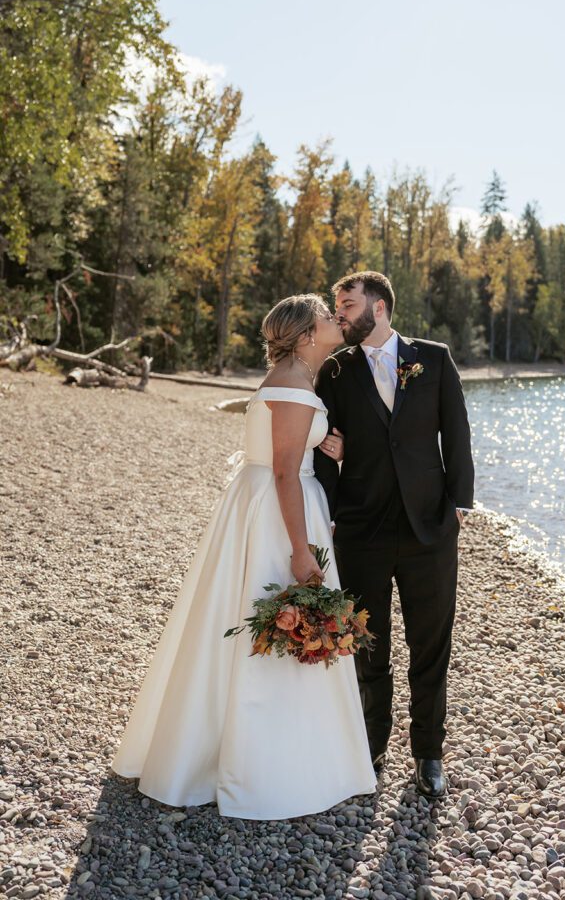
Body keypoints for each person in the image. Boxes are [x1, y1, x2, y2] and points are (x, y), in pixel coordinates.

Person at [112, 294, 376, 819]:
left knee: (250, 619)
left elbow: (282, 459)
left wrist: (331, 448)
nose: (335, 320)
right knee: (279, 611)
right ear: (305, 335)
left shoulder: (290, 380)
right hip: (280, 514)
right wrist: (300, 550)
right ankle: (267, 767)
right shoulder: (296, 387)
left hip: (261, 505)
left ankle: (228, 750)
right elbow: (284, 471)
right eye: (327, 316)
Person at [314, 271, 475, 798]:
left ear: (378, 307)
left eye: (347, 304)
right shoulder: (336, 370)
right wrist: (331, 504)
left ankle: (429, 754)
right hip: (361, 528)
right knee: (368, 642)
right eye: (337, 305)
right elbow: (324, 443)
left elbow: (456, 432)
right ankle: (371, 747)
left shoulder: (433, 357)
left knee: (431, 643)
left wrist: (459, 507)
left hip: (429, 526)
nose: (339, 313)